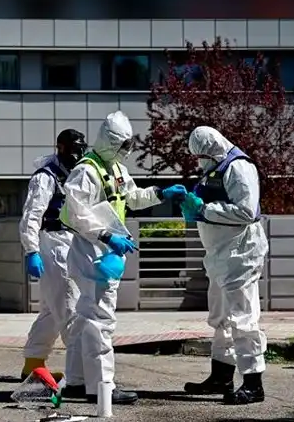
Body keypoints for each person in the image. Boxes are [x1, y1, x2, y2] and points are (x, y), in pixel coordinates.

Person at [59, 111, 188, 405]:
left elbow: (132, 197)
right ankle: (102, 386)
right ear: (110, 142)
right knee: (101, 318)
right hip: (91, 250)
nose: (126, 151)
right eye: (122, 145)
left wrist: (160, 193)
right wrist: (106, 236)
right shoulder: (86, 171)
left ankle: (78, 381)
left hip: (105, 249)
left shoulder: (115, 169)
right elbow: (77, 214)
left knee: (85, 318)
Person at [181, 126, 268, 405]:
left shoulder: (239, 168)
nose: (199, 161)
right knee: (221, 319)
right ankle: (221, 376)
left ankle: (253, 383)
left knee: (243, 319)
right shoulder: (215, 167)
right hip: (220, 256)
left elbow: (245, 211)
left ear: (214, 147)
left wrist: (203, 211)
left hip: (240, 255)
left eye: (202, 155)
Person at [18, 129, 88, 382]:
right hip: (53, 244)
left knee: (50, 311)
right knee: (70, 307)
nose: (77, 155)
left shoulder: (77, 174)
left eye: (80, 149)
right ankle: (82, 375)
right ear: (60, 148)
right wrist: (32, 251)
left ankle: (33, 365)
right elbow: (32, 216)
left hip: (71, 243)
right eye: (72, 149)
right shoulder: (45, 177)